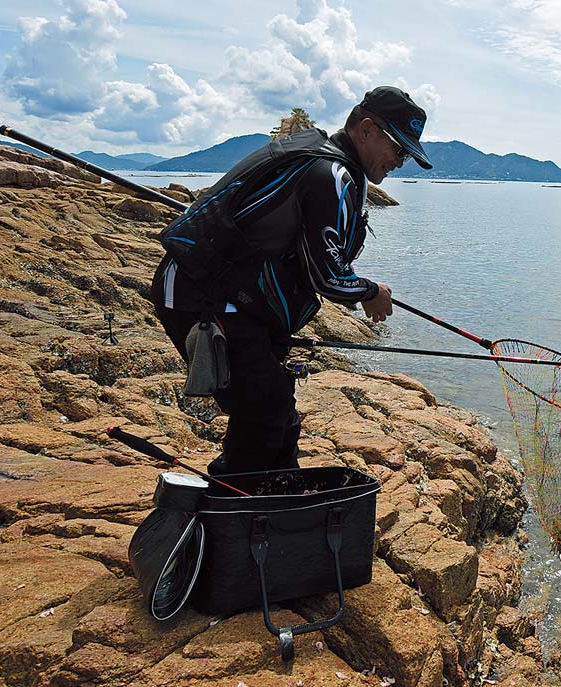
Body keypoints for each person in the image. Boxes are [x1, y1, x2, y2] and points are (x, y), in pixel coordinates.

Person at [151, 86, 433, 475]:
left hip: (228, 297)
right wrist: (372, 291)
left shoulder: (321, 159)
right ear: (367, 129)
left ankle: (263, 510)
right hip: (205, 296)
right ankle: (233, 513)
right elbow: (328, 277)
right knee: (265, 414)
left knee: (274, 412)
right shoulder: (330, 174)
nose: (400, 162)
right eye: (399, 150)